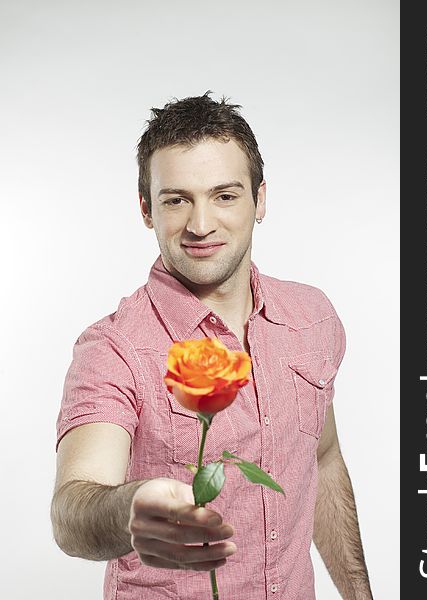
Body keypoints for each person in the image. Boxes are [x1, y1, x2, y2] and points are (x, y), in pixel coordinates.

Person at [51, 91, 373, 600]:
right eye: (176, 199)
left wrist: (359, 595)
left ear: (260, 199)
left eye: (224, 195)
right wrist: (133, 507)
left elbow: (324, 457)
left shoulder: (312, 318)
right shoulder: (113, 348)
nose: (200, 225)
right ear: (145, 209)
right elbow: (73, 509)